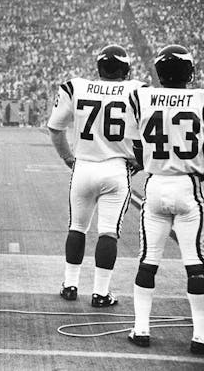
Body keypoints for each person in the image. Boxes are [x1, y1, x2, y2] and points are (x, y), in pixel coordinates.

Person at [47, 44, 145, 307]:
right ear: (125, 69)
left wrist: (68, 157)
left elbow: (55, 128)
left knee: (77, 227)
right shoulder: (138, 90)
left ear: (99, 67)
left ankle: (70, 285)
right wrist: (141, 161)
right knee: (108, 232)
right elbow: (153, 130)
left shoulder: (76, 87)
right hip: (115, 168)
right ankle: (101, 293)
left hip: (83, 167)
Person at [125, 44, 204, 354]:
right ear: (188, 72)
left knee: (148, 260)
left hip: (155, 185)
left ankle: (141, 329)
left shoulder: (141, 96)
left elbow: (138, 148)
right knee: (196, 263)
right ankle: (200, 334)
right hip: (188, 185)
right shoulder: (200, 99)